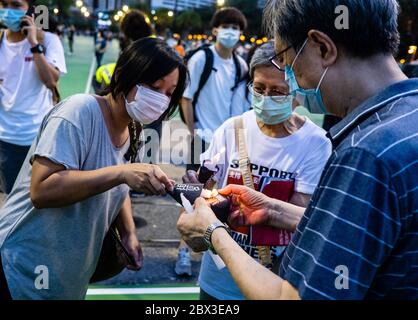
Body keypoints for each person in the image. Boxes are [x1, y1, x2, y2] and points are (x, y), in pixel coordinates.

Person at [177, 0, 418, 300]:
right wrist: (274, 209)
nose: (293, 80)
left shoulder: (363, 155)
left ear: (322, 47)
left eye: (289, 64)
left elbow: (293, 297)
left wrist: (213, 232)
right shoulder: (407, 118)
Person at [0, 37, 187, 300]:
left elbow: (119, 187)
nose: (161, 100)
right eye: (154, 86)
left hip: (64, 274)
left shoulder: (134, 130)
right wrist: (122, 173)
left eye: (169, 93)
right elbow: (42, 190)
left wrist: (128, 233)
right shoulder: (78, 112)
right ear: (123, 74)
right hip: (17, 269)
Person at [182, 42, 332, 299]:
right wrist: (197, 191)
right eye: (259, 88)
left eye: (277, 91)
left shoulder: (316, 144)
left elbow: (299, 221)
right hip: (219, 276)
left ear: (296, 90)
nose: (266, 98)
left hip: (274, 278)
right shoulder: (232, 128)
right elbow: (207, 187)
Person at [176, 7, 249, 276]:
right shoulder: (202, 58)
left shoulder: (241, 65)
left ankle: (219, 250)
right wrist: (193, 131)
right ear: (215, 29)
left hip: (228, 145)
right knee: (192, 199)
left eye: (236, 27)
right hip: (202, 139)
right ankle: (183, 252)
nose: (231, 31)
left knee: (223, 199)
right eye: (226, 26)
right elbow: (186, 97)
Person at [0, 0, 66, 194]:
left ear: (30, 10)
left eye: (16, 5)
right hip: (6, 136)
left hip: (40, 136)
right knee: (11, 197)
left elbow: (51, 81)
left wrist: (33, 43)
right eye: (4, 5)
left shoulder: (47, 40)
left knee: (40, 198)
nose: (8, 11)